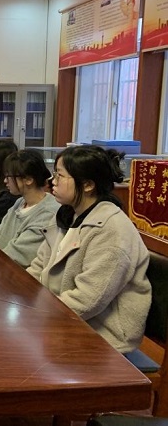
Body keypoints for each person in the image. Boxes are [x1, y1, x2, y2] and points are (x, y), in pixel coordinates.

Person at [27, 145, 151, 353]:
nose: (52, 181)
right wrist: (22, 297)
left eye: (60, 175)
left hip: (102, 333)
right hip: (62, 316)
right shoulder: (67, 215)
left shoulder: (112, 229)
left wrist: (36, 314)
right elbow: (39, 266)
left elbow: (88, 300)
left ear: (87, 185)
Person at [0, 149, 60, 267]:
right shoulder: (20, 202)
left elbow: (17, 256)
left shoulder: (48, 213)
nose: (5, 181)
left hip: (16, 272)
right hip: (1, 266)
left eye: (8, 176)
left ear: (29, 180)